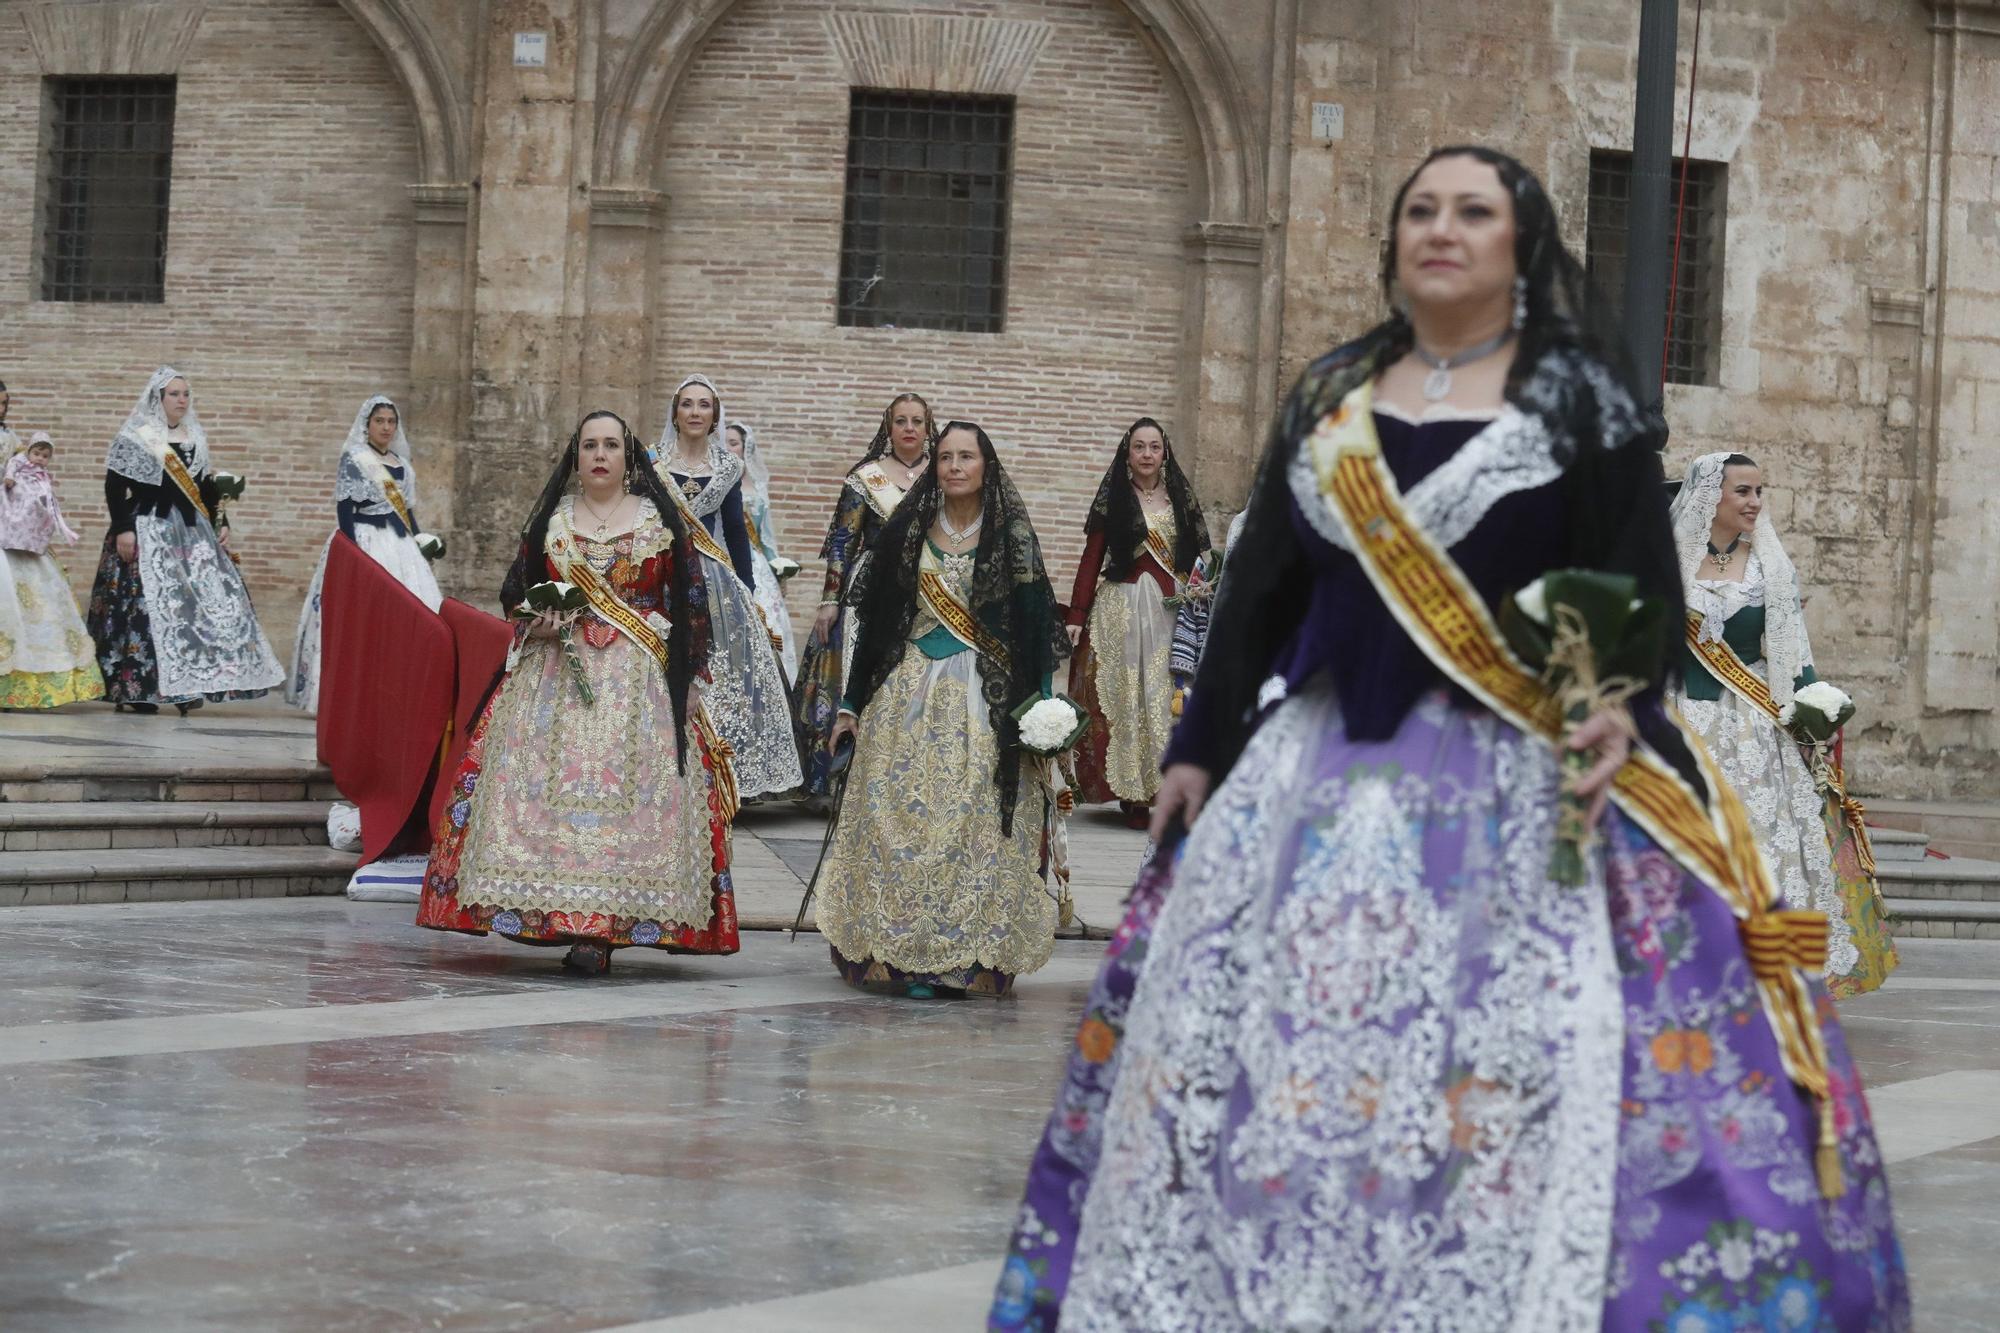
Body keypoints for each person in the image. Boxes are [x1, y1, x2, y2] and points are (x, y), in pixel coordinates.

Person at [992, 147, 1905, 1331]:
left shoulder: (1579, 399)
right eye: (1419, 209)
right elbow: (1263, 583)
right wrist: (1198, 747)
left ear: (1519, 242)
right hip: (1315, 778)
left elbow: (1624, 579)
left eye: (1473, 211)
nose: (1442, 228)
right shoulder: (1330, 397)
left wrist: (1610, 708)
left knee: (1515, 1042)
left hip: (1516, 775)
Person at [417, 409, 737, 976]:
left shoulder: (660, 522)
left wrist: (690, 680)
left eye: (611, 445)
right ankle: (550, 913)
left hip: (639, 684)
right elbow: (515, 592)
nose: (599, 455)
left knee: (630, 802)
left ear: (628, 456)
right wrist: (532, 619)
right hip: (554, 674)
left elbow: (690, 604)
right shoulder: (555, 522)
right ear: (575, 456)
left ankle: (607, 928)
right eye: (589, 445)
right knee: (540, 789)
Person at [815, 421, 1069, 999]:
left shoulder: (1009, 537)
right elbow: (877, 627)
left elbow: (1034, 629)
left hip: (983, 699)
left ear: (986, 466)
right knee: (897, 817)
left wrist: (1044, 712)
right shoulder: (909, 532)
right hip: (905, 692)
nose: (955, 466)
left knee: (972, 824)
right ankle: (897, 954)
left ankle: (965, 957)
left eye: (967, 457)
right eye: (946, 457)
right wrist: (851, 703)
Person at [1668, 452, 1898, 997]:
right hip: (1678, 719)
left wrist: (1816, 709)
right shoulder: (1668, 564)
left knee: (1766, 845)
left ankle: (1763, 978)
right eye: (1742, 491)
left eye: (1758, 492)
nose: (1754, 503)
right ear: (1711, 497)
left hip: (1753, 726)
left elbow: (1794, 656)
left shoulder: (1772, 565)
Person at [86, 367, 284, 715]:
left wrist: (222, 523)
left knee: (189, 610)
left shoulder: (195, 436)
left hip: (191, 532)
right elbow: (114, 486)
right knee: (144, 610)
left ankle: (186, 686)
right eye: (174, 394)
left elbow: (205, 488)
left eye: (186, 394)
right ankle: (138, 688)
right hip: (146, 527)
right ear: (158, 399)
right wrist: (122, 528)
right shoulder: (137, 435)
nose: (182, 400)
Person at [652, 375, 802, 800]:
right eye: (687, 404)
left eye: (704, 405)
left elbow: (736, 531)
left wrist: (747, 593)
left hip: (711, 580)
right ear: (675, 413)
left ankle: (713, 771)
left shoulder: (728, 467)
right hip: (660, 574)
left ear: (715, 414)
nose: (696, 412)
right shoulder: (652, 461)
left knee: (714, 671)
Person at [1065, 418, 1208, 824]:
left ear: (1165, 454)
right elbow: (1092, 558)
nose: (1147, 455)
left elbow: (1201, 555)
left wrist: (1204, 597)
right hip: (1121, 611)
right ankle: (1134, 794)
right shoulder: (1114, 498)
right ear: (1127, 454)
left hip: (1170, 612)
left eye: (1154, 448)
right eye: (1139, 447)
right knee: (1128, 698)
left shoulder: (1180, 498)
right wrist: (1077, 614)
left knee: (1166, 697)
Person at [793, 392, 935, 800]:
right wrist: (829, 600)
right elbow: (843, 541)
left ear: (929, 428)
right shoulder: (866, 476)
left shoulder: (942, 475)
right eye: (901, 421)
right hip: (867, 589)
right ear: (888, 427)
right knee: (858, 670)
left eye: (917, 421)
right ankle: (843, 774)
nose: (909, 428)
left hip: (925, 587)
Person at [288, 395, 444, 710]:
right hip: (365, 541)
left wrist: (421, 541)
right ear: (367, 424)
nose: (386, 427)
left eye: (391, 422)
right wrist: (353, 557)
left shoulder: (403, 465)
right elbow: (344, 511)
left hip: (399, 546)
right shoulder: (355, 459)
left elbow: (408, 514)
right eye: (379, 421)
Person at [0, 431, 104, 709]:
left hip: (13, 521)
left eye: (4, 403)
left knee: (35, 604)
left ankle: (26, 683)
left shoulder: (14, 441)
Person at [724, 420, 798, 682]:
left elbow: (766, 539)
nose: (727, 447)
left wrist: (779, 571)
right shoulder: (714, 483)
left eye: (733, 443)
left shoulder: (757, 489)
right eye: (724, 442)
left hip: (754, 561)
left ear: (745, 448)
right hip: (722, 557)